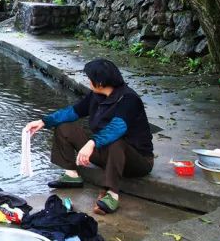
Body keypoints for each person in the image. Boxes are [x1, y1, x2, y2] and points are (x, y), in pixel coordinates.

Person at [23, 59, 154, 215]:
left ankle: (112, 194)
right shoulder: (96, 96)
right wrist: (43, 121)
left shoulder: (128, 99)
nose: (87, 80)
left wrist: (92, 142)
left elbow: (118, 128)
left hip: (136, 161)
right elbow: (72, 112)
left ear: (99, 82)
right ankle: (71, 175)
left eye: (89, 78)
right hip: (105, 153)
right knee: (64, 126)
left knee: (116, 141)